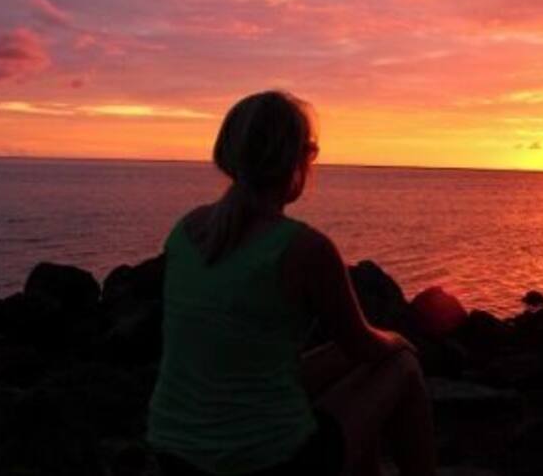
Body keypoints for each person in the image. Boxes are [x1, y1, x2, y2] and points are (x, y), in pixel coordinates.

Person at [147, 90, 435, 476]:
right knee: (401, 365)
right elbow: (365, 346)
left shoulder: (185, 231)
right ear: (298, 160)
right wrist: (398, 338)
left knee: (341, 363)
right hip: (267, 463)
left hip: (174, 454)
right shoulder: (303, 248)